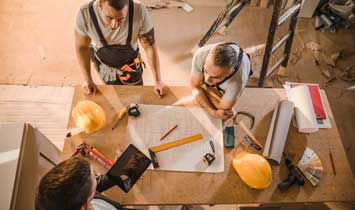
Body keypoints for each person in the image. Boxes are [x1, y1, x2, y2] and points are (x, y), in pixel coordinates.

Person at [75, 0, 165, 97]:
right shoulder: (85, 13)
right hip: (103, 62)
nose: (115, 25)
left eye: (121, 19)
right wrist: (87, 79)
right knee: (114, 94)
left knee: (135, 96)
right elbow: (82, 47)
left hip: (131, 63)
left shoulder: (138, 11)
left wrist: (158, 80)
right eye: (109, 18)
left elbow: (149, 46)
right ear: (100, 4)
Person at [190, 42, 252, 120]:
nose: (206, 79)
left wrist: (202, 87)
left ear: (230, 72)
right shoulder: (200, 54)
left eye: (215, 77)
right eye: (205, 71)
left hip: (240, 70)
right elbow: (194, 86)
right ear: (207, 58)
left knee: (224, 111)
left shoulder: (237, 81)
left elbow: (222, 110)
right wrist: (212, 112)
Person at [35, 157, 120, 210]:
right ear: (85, 207)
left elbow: (96, 186)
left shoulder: (75, 195)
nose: (98, 175)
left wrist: (118, 172)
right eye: (95, 176)